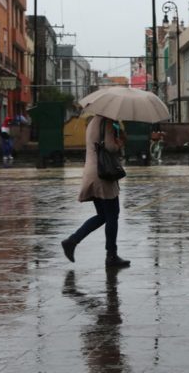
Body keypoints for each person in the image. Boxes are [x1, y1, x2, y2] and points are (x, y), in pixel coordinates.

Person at [61, 115, 130, 268]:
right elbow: (110, 147)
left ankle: (72, 241)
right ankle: (111, 256)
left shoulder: (93, 121)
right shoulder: (107, 123)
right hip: (103, 174)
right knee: (112, 214)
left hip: (92, 171)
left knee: (103, 215)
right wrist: (120, 142)